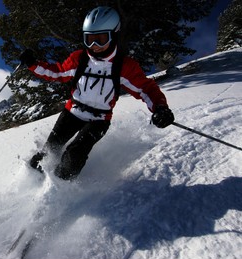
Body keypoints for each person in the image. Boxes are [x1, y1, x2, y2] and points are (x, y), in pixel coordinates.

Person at [19, 6, 174, 180]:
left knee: (74, 155)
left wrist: (160, 108)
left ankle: (58, 189)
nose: (94, 46)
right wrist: (33, 64)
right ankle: (31, 182)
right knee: (49, 150)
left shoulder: (123, 66)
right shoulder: (79, 59)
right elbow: (57, 72)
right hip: (72, 113)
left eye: (101, 39)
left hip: (99, 120)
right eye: (89, 39)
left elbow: (146, 88)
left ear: (114, 35)